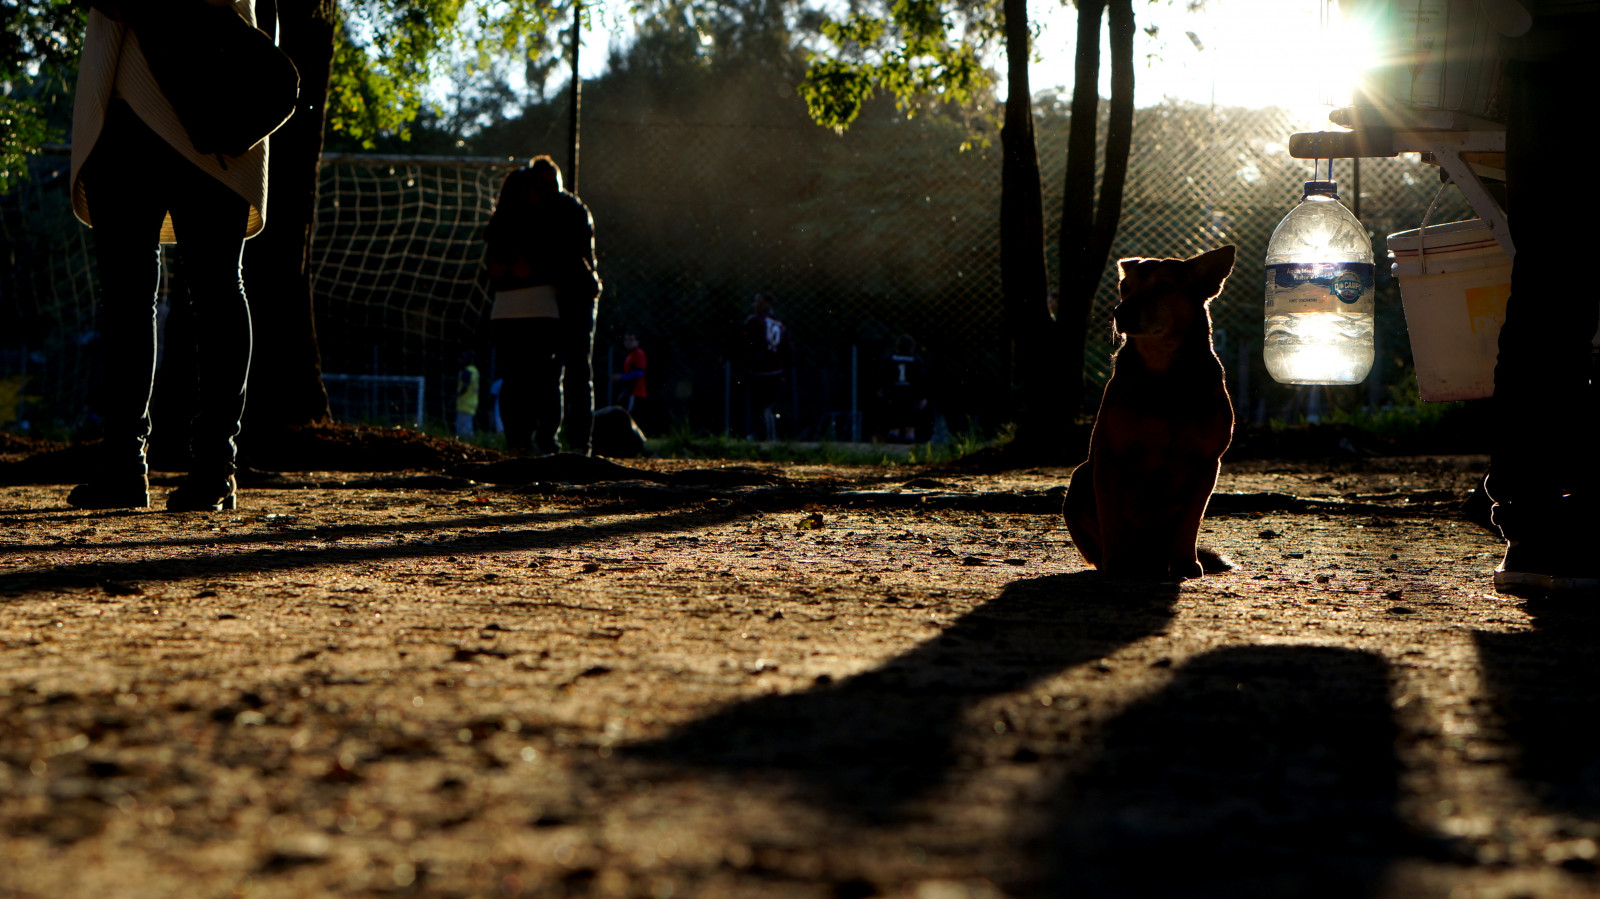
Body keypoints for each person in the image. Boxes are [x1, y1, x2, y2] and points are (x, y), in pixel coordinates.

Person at [66, 0, 270, 512]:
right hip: (202, 93)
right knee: (200, 290)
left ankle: (153, 468)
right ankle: (194, 470)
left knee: (158, 294)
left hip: (210, 95)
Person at [1486, 3, 1600, 594]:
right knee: (1551, 288)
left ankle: (1533, 521)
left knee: (1548, 288)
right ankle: (1563, 521)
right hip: (1555, 45)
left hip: (1547, 42)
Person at [483, 156, 600, 456]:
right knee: (550, 376)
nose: (546, 191)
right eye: (541, 185)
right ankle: (550, 443)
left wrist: (531, 269)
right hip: (545, 302)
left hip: (564, 299)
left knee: (563, 373)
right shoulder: (530, 213)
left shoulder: (566, 210)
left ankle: (564, 444)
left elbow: (572, 260)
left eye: (549, 185)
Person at [738, 293, 793, 441]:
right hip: (776, 371)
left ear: (767, 304)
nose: (755, 305)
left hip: (760, 370)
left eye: (758, 302)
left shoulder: (755, 321)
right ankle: (766, 436)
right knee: (765, 406)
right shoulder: (779, 325)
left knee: (759, 406)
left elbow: (743, 342)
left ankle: (763, 438)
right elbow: (787, 349)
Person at [878, 334, 929, 443]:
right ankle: (908, 444)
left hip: (894, 393)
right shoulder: (916, 360)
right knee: (910, 424)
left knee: (893, 422)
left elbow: (884, 376)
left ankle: (893, 441)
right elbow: (921, 379)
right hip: (910, 394)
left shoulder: (891, 359)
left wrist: (883, 390)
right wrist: (922, 397)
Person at [611, 331, 646, 415]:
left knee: (630, 419)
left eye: (631, 339)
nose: (628, 342)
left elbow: (639, 373)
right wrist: (624, 392)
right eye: (626, 340)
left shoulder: (638, 353)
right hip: (630, 393)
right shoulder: (630, 355)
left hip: (637, 393)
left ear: (637, 341)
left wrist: (621, 377)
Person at [454, 350, 480, 439]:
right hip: (472, 402)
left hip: (465, 403)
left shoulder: (466, 371)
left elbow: (465, 385)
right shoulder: (475, 371)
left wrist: (456, 396)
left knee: (463, 429)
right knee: (468, 425)